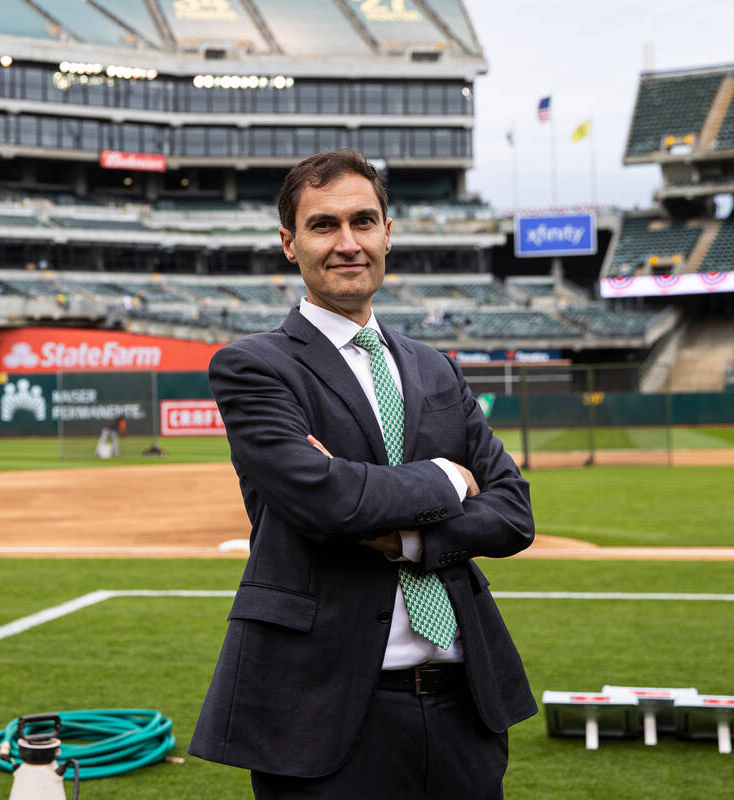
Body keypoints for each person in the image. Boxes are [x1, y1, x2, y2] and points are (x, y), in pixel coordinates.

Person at [189, 149, 536, 799]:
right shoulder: (253, 366)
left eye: (364, 222)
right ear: (289, 244)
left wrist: (409, 538)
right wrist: (450, 478)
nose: (348, 243)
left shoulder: (436, 367)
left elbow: (515, 512)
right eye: (324, 226)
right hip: (322, 712)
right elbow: (330, 502)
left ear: (387, 233)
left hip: (463, 705)